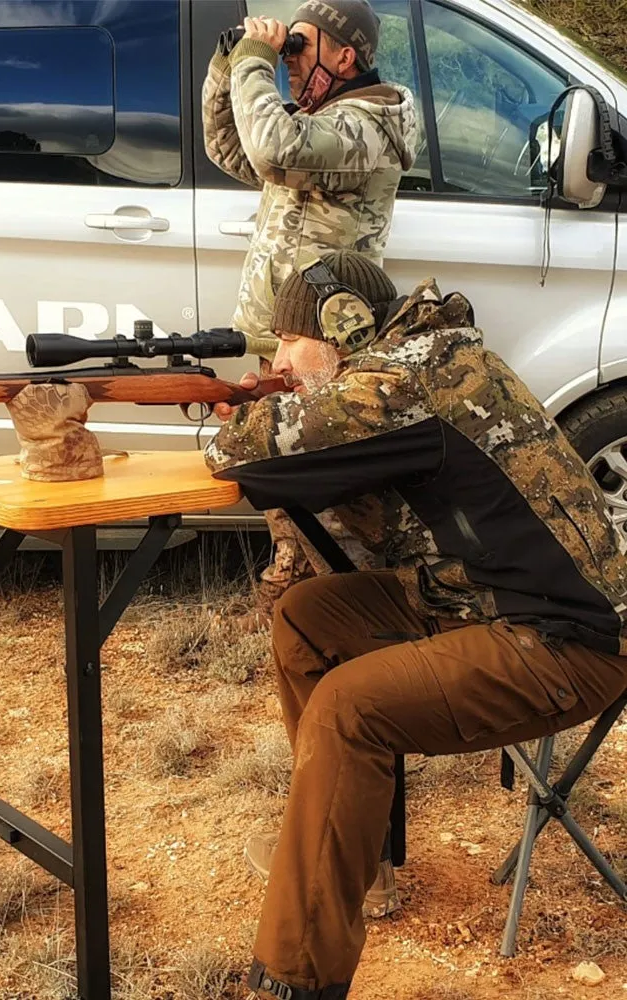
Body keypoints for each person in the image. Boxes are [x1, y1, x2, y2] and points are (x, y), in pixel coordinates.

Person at [205, 250, 627, 1000]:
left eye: (284, 343)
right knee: (308, 617)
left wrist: (232, 413)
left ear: (338, 327)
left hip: (569, 641)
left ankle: (298, 977)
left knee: (350, 707)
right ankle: (343, 857)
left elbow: (240, 450)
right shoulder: (430, 360)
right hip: (486, 599)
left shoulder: (402, 380)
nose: (278, 361)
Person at [202, 0, 417, 627]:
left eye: (302, 49)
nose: (290, 63)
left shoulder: (365, 126)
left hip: (327, 333)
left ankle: (338, 597)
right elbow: (233, 149)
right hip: (289, 326)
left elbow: (273, 150)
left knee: (321, 471)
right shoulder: (320, 124)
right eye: (286, 52)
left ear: (345, 56)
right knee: (280, 454)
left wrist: (256, 62)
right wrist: (230, 64)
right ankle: (295, 576)